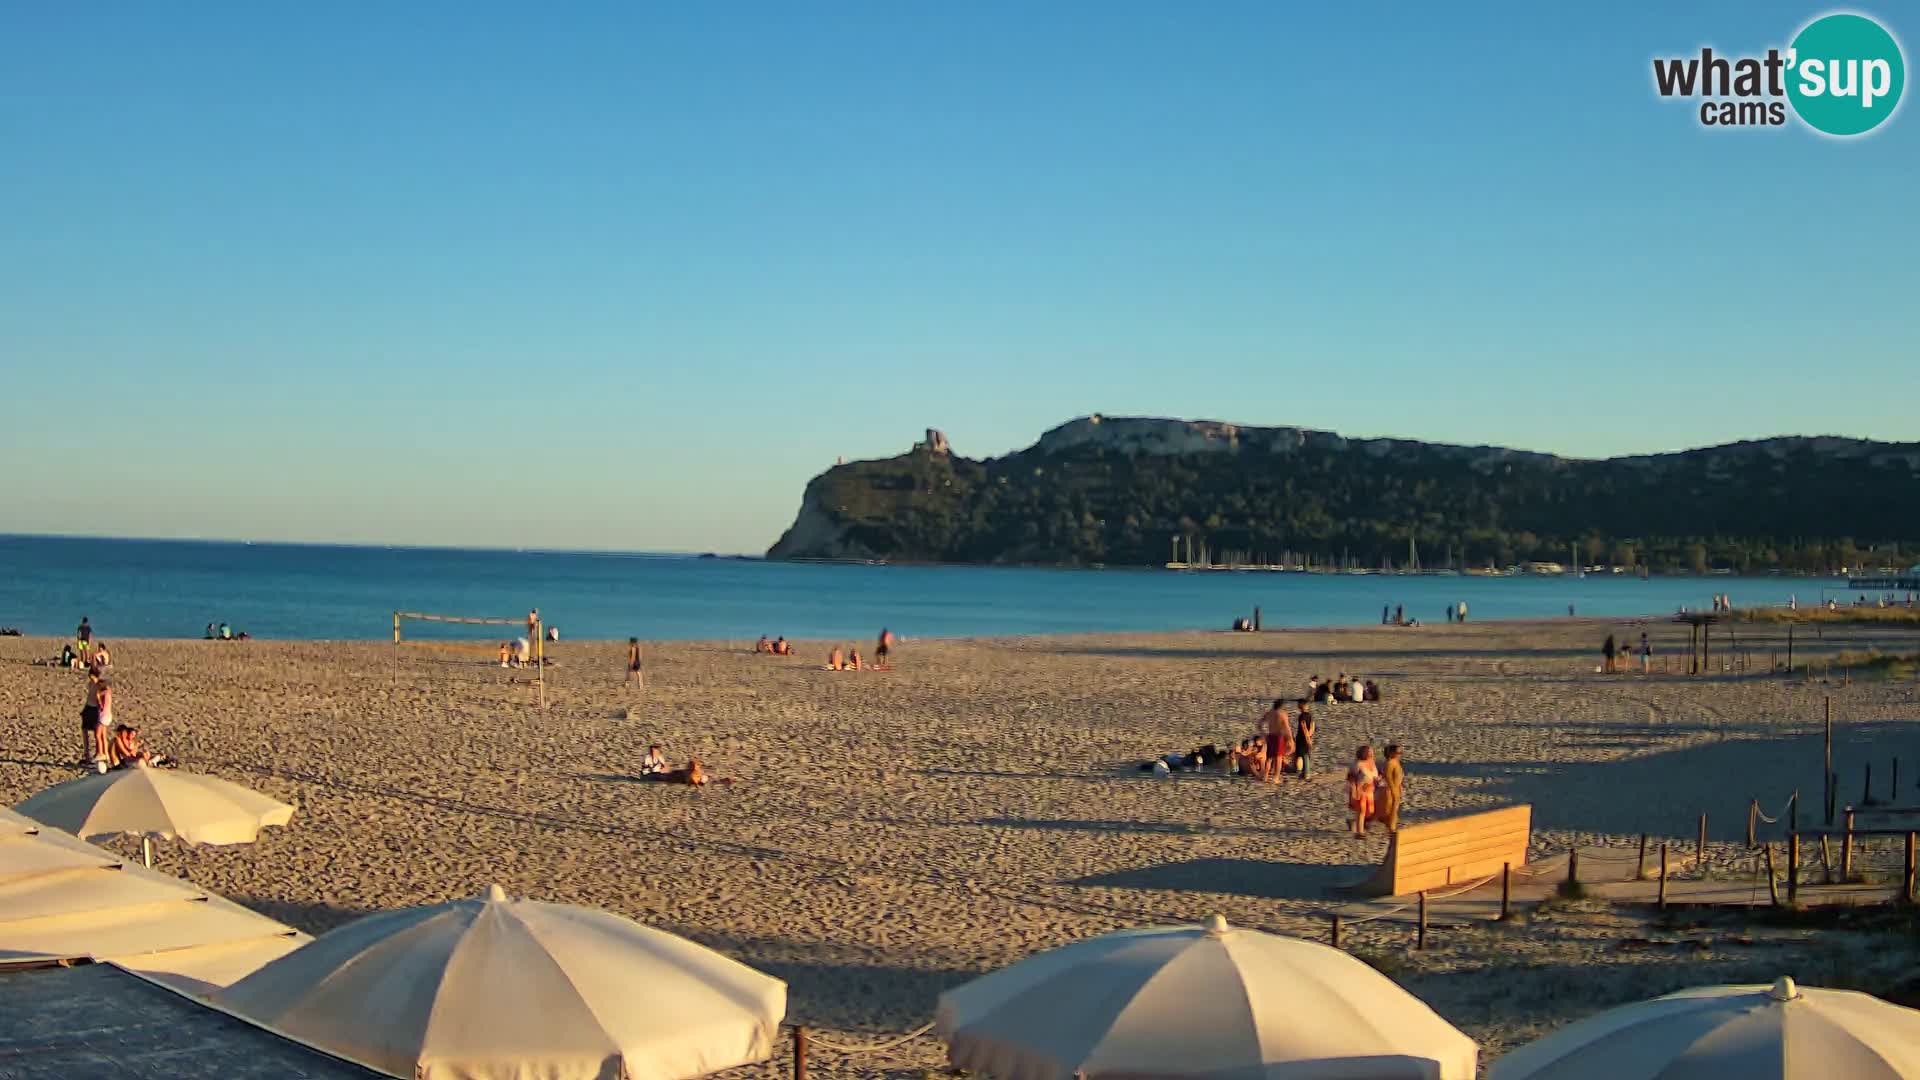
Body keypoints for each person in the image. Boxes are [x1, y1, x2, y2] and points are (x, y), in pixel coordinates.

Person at [1347, 746, 1379, 838]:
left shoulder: (1372, 763)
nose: (1371, 754)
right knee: (1361, 810)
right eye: (1368, 752)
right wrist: (1354, 790)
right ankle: (1359, 832)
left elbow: (1374, 775)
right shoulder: (1357, 764)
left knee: (1370, 811)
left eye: (1371, 752)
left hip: (1370, 790)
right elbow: (1351, 778)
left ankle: (1354, 822)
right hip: (1360, 790)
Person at [1260, 699, 1292, 783]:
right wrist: (1290, 738)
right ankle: (1276, 777)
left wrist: (1263, 734)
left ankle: (1265, 776)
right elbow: (1287, 727)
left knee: (1269, 758)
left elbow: (1260, 724)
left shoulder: (1269, 713)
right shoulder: (1282, 714)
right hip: (1279, 737)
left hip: (1270, 736)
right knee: (1278, 758)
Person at [1376, 744, 1404, 832]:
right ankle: (1392, 830)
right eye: (1398, 752)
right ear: (1391, 753)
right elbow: (1388, 777)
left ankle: (1391, 828)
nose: (1400, 754)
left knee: (1391, 811)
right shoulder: (1390, 763)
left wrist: (1399, 788)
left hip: (1395, 789)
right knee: (1391, 811)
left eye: (1401, 752)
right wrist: (1393, 790)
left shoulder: (1395, 762)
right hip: (1390, 790)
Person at [92, 677, 115, 768]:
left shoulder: (102, 694)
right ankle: (106, 754)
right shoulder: (108, 692)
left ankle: (101, 753)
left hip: (103, 715)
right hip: (108, 714)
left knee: (98, 735)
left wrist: (98, 698)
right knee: (103, 736)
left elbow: (101, 705)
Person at [1293, 702, 1315, 776]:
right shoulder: (1310, 716)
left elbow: (1304, 727)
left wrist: (1307, 738)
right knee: (1306, 755)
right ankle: (1306, 772)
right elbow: (1312, 726)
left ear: (1300, 707)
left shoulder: (1302, 716)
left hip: (1301, 738)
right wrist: (1310, 736)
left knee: (1300, 755)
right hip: (1307, 737)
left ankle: (1302, 772)